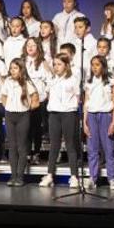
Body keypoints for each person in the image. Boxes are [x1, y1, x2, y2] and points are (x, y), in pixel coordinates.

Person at [41, 53, 80, 188]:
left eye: (59, 64)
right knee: (54, 146)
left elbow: (77, 96)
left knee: (70, 145)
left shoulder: (73, 80)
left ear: (66, 65)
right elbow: (47, 94)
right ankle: (50, 175)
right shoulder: (52, 80)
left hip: (68, 114)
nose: (56, 67)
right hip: (54, 114)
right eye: (55, 64)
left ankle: (74, 176)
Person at [84, 55, 114, 190]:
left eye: (97, 65)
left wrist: (113, 122)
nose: (94, 67)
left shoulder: (111, 81)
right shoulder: (89, 82)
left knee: (109, 149)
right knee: (92, 149)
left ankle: (112, 178)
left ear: (103, 66)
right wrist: (85, 122)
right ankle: (93, 177)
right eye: (92, 65)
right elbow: (86, 103)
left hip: (106, 116)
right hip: (92, 116)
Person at [1, 58, 39, 187]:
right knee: (12, 146)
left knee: (21, 146)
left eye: (15, 68)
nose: (12, 70)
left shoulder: (27, 83)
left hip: (23, 116)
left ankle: (20, 176)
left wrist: (27, 108)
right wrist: (8, 107)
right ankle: (13, 176)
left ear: (21, 69)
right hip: (10, 115)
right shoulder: (7, 81)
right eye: (11, 68)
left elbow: (36, 99)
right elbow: (4, 97)